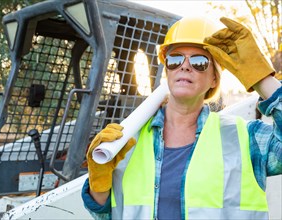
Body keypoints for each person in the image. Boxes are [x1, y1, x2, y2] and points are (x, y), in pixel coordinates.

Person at [81, 16, 282, 220]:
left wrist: (261, 78)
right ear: (167, 71)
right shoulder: (126, 141)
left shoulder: (245, 139)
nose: (185, 67)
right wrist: (98, 184)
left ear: (214, 78)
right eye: (175, 59)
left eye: (199, 62)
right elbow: (108, 215)